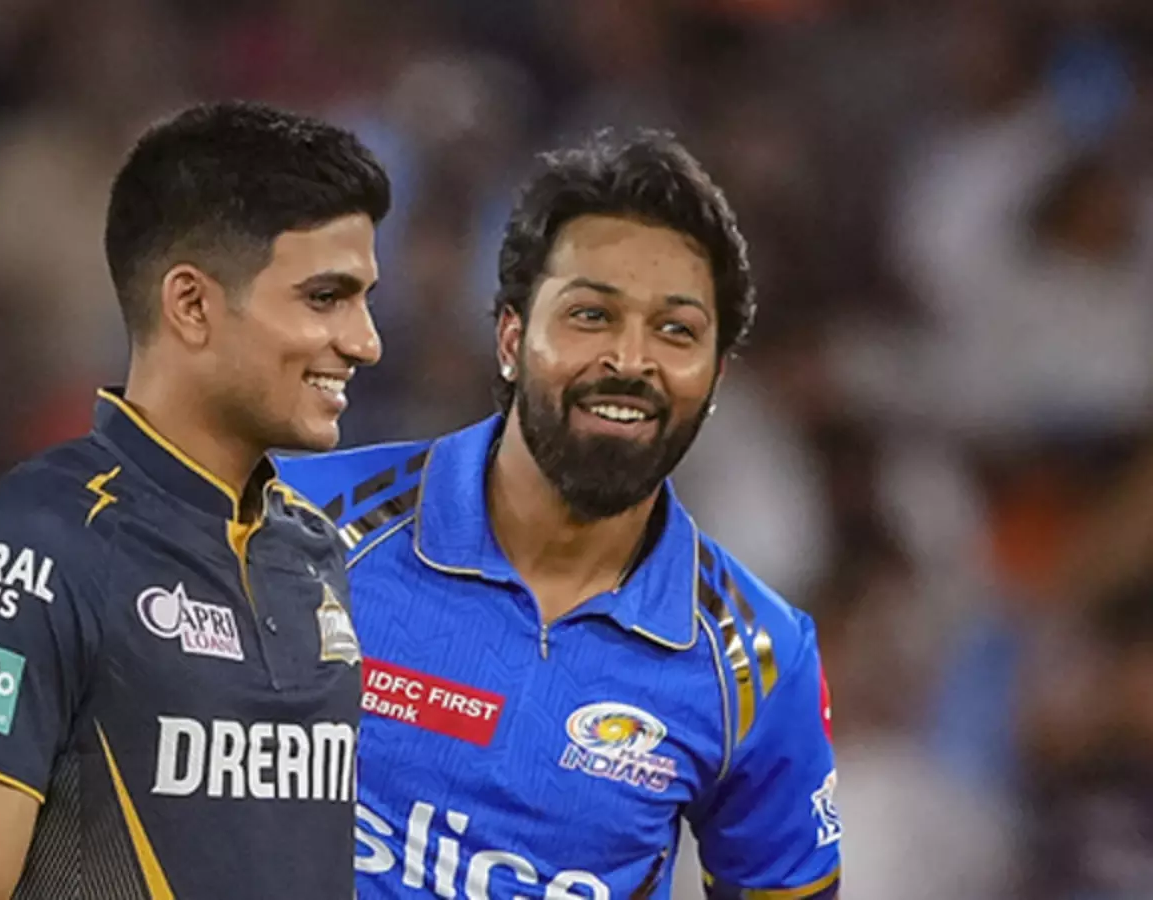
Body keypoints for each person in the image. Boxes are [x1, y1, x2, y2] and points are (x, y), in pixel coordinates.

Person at [277, 130, 842, 899]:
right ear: (511, 338)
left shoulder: (759, 660)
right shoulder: (293, 519)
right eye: (591, 315)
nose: (631, 361)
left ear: (714, 379)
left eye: (677, 331)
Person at [0, 100, 389, 900]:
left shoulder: (315, 552)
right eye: (326, 297)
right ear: (191, 304)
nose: (365, 342)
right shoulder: (28, 552)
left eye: (364, 300)